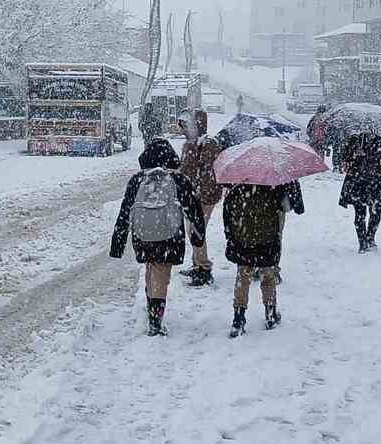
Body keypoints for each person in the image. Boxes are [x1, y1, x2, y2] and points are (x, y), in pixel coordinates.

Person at [111, 138, 207, 336]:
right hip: (169, 237)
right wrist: (198, 237)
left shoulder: (137, 180)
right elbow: (194, 210)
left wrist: (118, 243)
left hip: (143, 236)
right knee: (161, 275)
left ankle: (150, 305)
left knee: (150, 267)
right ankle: (155, 321)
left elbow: (125, 212)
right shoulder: (179, 180)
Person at [221, 179, 304, 337]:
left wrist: (231, 234)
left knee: (243, 277)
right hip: (267, 239)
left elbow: (227, 211)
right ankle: (270, 313)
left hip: (243, 238)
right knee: (268, 276)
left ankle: (238, 318)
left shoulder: (238, 185)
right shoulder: (273, 185)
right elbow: (287, 206)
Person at [176, 110, 225, 287]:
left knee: (196, 231)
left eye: (185, 126)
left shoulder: (207, 143)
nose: (183, 130)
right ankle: (198, 264)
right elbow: (187, 169)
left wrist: (198, 191)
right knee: (194, 230)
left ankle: (204, 269)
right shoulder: (192, 142)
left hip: (204, 196)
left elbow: (207, 173)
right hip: (195, 194)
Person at [339, 132, 381, 253]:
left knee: (373, 213)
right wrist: (355, 157)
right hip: (362, 183)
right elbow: (344, 162)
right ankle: (364, 241)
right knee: (364, 214)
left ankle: (368, 238)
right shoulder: (356, 141)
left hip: (368, 184)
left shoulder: (379, 142)